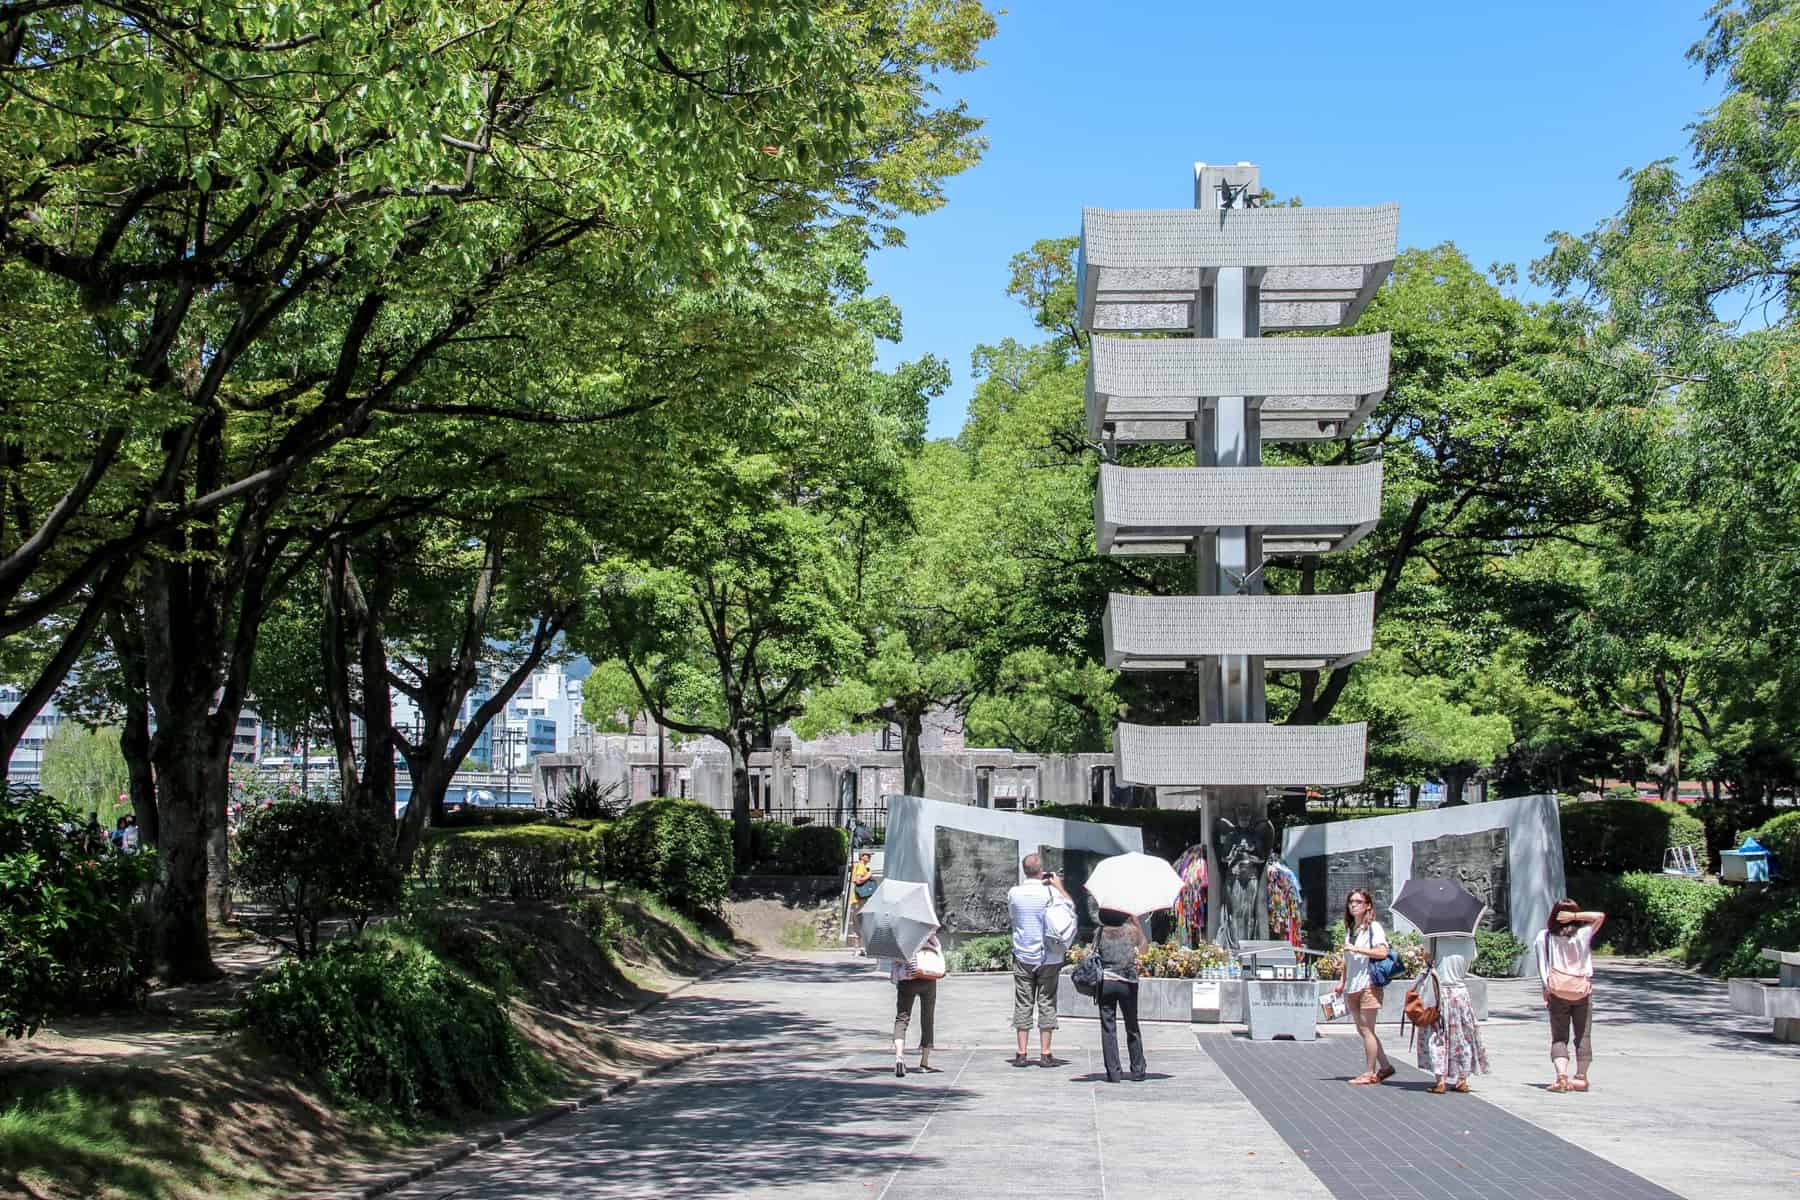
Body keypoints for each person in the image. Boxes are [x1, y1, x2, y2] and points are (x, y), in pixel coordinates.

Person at [1006, 853, 1075, 1067]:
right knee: (1047, 1001)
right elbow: (1070, 909)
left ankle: (1021, 1053)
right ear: (1042, 870)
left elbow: (1013, 916)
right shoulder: (1051, 892)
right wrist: (1059, 886)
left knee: (1023, 1002)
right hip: (1049, 956)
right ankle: (1045, 1054)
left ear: (1024, 870)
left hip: (1023, 954)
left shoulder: (1014, 893)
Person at [1536, 898, 1606, 1094]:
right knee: (1583, 1035)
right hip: (1581, 990)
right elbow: (1599, 916)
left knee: (1559, 1037)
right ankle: (1581, 1078)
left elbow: (1542, 966)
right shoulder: (1583, 934)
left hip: (1557, 991)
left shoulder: (1545, 937)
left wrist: (1545, 988)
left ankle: (1561, 1077)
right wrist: (1575, 916)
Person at [1334, 888, 1395, 1085]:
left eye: (1358, 901)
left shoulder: (1373, 928)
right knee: (1363, 1030)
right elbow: (1348, 959)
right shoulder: (1350, 929)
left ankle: (1370, 1072)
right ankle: (1385, 1066)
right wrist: (1342, 980)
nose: (1353, 905)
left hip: (1368, 984)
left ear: (1368, 905)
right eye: (1351, 901)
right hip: (1352, 986)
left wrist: (1356, 948)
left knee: (1367, 1029)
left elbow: (1382, 952)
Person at [1417, 933, 1490, 1094]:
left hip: (1438, 994)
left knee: (1437, 1036)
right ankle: (1462, 1079)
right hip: (1460, 994)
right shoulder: (1469, 939)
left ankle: (1440, 1080)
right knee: (1462, 1036)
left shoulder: (1433, 938)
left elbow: (1427, 960)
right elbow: (1469, 962)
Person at [1093, 907, 1147, 1083]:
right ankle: (1138, 1070)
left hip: (1106, 983)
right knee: (1132, 1025)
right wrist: (1137, 922)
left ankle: (1114, 1072)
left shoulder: (1099, 932)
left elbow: (1093, 953)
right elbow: (1144, 950)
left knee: (1108, 1027)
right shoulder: (1131, 931)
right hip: (1127, 983)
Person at [891, 931, 941, 1077]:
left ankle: (899, 1057)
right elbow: (937, 948)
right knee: (927, 1019)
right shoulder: (927, 930)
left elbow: (895, 959)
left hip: (907, 978)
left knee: (902, 1018)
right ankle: (924, 1063)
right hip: (927, 977)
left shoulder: (899, 933)